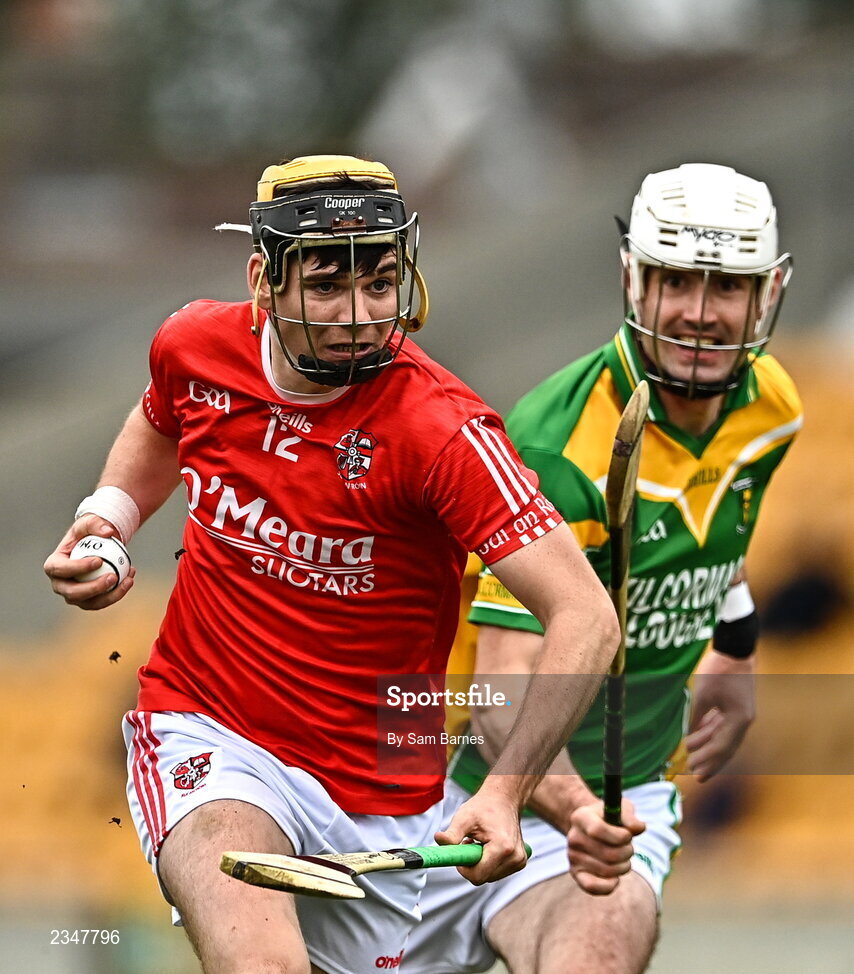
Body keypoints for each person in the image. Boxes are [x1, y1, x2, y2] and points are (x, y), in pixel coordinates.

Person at [43, 154, 620, 974]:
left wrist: (505, 790)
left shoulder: (444, 432)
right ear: (263, 282)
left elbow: (586, 616)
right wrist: (107, 517)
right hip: (209, 730)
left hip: (382, 790)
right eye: (325, 286)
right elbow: (163, 418)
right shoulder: (194, 345)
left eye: (380, 283)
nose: (359, 315)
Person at [402, 162, 803, 974]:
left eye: (727, 287)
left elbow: (711, 526)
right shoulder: (560, 444)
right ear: (632, 279)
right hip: (460, 787)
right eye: (675, 281)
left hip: (619, 794)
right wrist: (575, 807)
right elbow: (502, 691)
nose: (699, 313)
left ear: (768, 293)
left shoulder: (772, 410)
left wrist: (736, 645)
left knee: (599, 948)